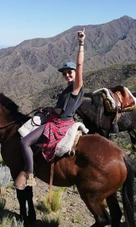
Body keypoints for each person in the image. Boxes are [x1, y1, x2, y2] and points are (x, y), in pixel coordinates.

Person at [20, 28, 86, 187]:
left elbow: (79, 64)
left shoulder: (77, 86)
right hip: (60, 119)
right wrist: (49, 109)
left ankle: (30, 174)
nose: (67, 75)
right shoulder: (68, 88)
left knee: (25, 142)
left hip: (59, 125)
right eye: (65, 74)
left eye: (70, 72)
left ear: (76, 73)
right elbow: (62, 108)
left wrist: (81, 43)